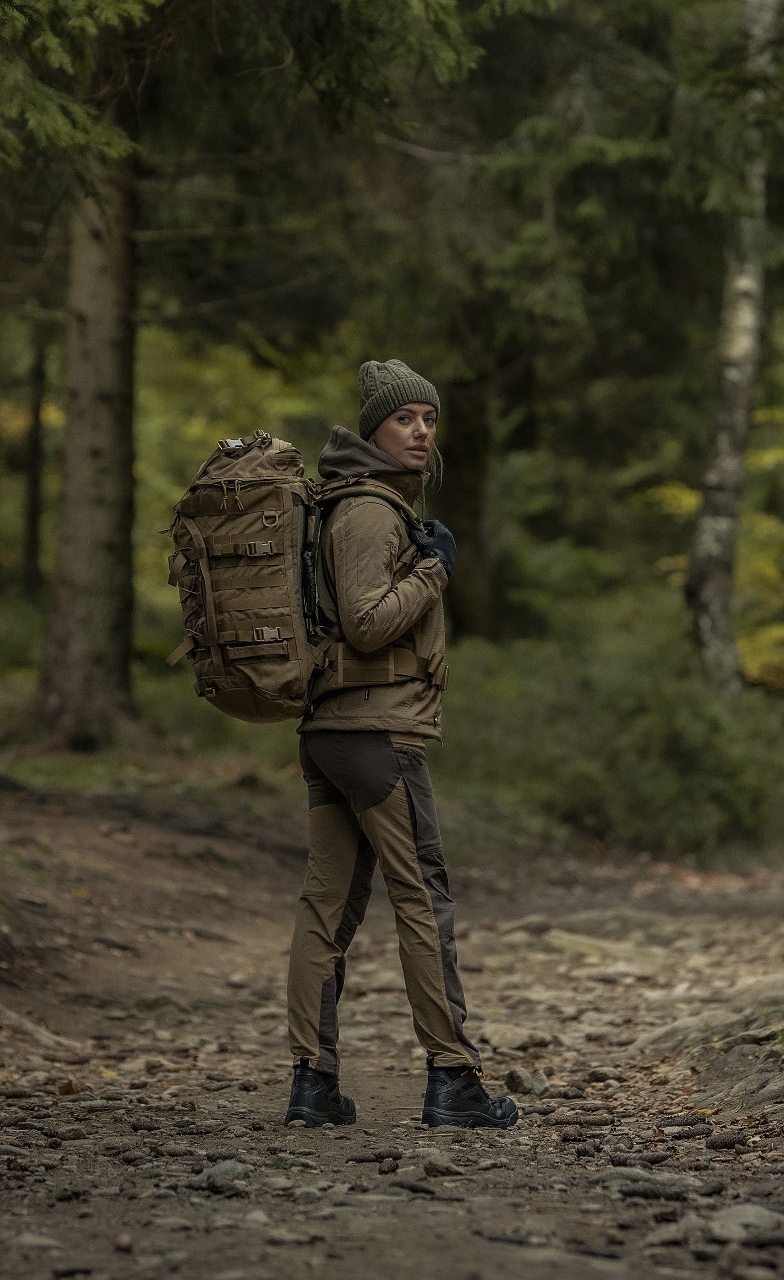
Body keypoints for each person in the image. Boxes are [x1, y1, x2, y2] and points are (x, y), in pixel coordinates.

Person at [281, 358, 518, 1130]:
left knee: (328, 905)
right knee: (423, 901)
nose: (421, 431)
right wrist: (433, 572)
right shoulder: (370, 511)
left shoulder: (357, 504)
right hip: (375, 735)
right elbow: (368, 621)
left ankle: (312, 1087)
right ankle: (453, 1078)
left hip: (333, 733)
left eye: (429, 420)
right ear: (374, 428)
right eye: (405, 419)